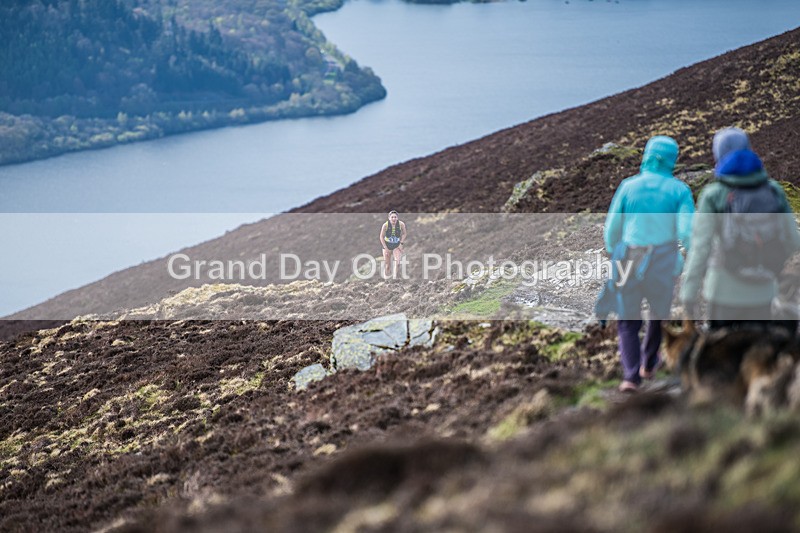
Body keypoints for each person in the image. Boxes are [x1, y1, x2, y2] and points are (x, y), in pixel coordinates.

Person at [680, 127, 800, 331]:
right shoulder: (773, 190)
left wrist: (688, 295)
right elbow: (792, 243)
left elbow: (700, 249)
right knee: (756, 357)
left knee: (723, 358)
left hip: (722, 293)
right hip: (764, 292)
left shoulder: (714, 194)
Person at [604, 135, 695, 392]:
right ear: (672, 160)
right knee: (658, 314)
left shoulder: (628, 187)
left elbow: (612, 228)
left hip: (629, 258)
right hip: (663, 261)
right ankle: (649, 363)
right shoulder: (680, 190)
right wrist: (689, 254)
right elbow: (687, 231)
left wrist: (614, 251)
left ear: (646, 156)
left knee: (627, 321)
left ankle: (630, 377)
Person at [380, 210, 407, 278]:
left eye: (395, 217)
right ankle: (386, 279)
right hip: (387, 245)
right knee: (387, 265)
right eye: (392, 217)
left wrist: (401, 243)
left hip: (396, 245)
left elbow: (404, 233)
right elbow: (381, 236)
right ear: (389, 218)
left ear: (397, 218)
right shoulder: (385, 225)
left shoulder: (401, 224)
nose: (394, 219)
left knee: (397, 263)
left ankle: (394, 278)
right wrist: (385, 247)